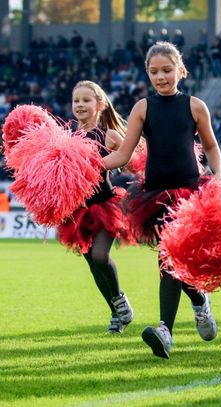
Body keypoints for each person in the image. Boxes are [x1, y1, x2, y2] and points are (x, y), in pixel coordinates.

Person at [102, 41, 221, 359]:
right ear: (147, 73)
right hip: (155, 197)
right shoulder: (143, 108)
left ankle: (165, 330)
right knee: (173, 260)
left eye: (167, 70)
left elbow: (211, 146)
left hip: (189, 194)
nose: (161, 77)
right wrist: (88, 164)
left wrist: (219, 175)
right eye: (154, 71)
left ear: (180, 70)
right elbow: (123, 154)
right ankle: (199, 302)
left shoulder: (195, 106)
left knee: (170, 258)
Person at [56, 80, 134, 334]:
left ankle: (120, 300)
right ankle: (116, 314)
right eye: (76, 100)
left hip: (105, 206)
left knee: (100, 255)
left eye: (86, 100)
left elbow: (131, 159)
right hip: (78, 211)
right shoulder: (67, 138)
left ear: (99, 105)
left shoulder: (108, 135)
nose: (80, 104)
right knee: (92, 264)